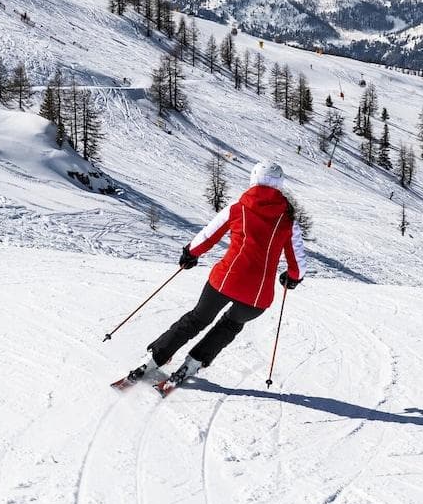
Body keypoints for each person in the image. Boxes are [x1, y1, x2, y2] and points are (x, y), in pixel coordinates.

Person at [125, 160, 304, 388]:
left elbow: (209, 235)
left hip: (225, 280)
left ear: (253, 179)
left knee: (197, 318)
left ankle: (154, 358)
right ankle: (194, 362)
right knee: (229, 326)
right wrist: (293, 278)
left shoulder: (238, 208)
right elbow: (298, 262)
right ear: (279, 185)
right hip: (257, 297)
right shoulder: (288, 221)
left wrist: (190, 253)